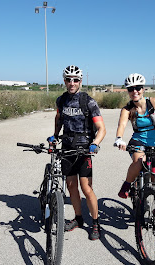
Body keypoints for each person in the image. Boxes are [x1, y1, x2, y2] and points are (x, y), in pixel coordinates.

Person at [47, 65, 106, 240]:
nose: (71, 83)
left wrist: (95, 143)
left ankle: (95, 223)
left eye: (75, 80)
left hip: (84, 149)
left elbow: (101, 128)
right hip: (67, 147)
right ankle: (78, 219)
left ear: (80, 81)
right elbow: (59, 118)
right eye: (68, 79)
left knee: (86, 188)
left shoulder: (88, 101)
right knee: (71, 186)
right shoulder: (61, 100)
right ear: (64, 81)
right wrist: (55, 135)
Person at [114, 73, 155, 197]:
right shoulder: (127, 109)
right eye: (130, 89)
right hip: (138, 142)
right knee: (140, 161)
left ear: (143, 89)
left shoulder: (154, 102)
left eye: (138, 88)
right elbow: (122, 125)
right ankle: (127, 184)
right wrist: (119, 139)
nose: (134, 91)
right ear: (128, 91)